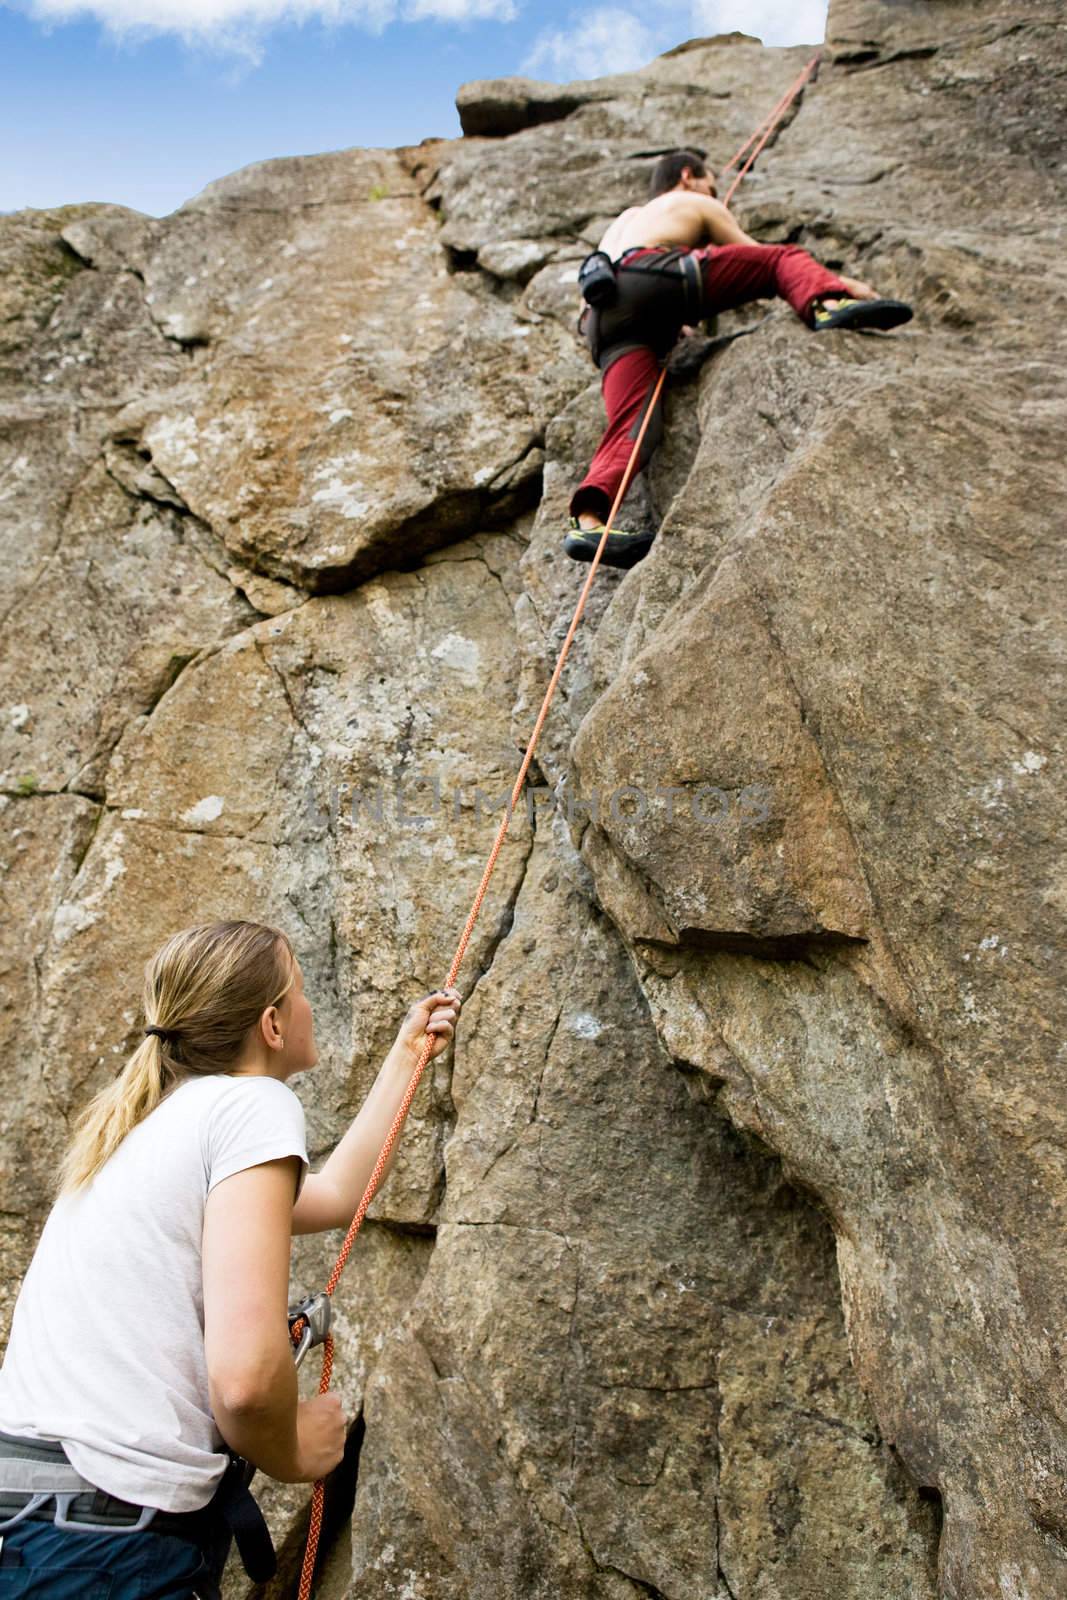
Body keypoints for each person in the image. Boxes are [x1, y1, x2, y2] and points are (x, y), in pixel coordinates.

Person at [0, 920, 461, 1598]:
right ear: (272, 1024)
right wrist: (294, 1452)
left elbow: (336, 1194)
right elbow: (244, 1385)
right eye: (301, 992)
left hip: (34, 1518)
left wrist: (405, 1056)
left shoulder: (150, 1123)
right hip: (105, 1543)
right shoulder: (253, 1105)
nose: (309, 1008)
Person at [564, 147, 913, 569]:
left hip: (602, 320)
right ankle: (827, 305)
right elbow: (756, 255)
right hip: (652, 277)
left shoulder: (623, 223)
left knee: (635, 426)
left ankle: (589, 521)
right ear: (688, 176)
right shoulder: (691, 201)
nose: (715, 191)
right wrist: (837, 281)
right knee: (784, 257)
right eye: (712, 183)